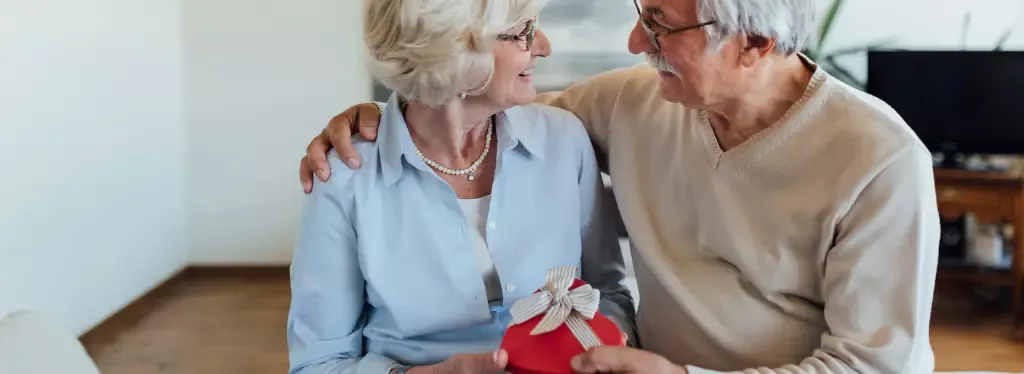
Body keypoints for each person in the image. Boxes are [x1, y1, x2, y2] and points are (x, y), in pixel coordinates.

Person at [298, 0, 943, 373]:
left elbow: (874, 368)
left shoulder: (879, 162)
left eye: (660, 23)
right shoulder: (628, 105)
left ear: (754, 43)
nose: (636, 42)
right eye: (642, 11)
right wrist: (374, 117)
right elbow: (468, 105)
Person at [286, 0, 637, 373]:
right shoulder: (344, 179)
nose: (544, 46)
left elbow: (608, 293)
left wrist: (601, 352)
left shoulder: (563, 140)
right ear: (453, 50)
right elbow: (318, 364)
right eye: (523, 31)